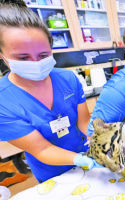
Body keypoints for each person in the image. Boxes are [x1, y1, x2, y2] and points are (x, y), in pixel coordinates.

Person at [0, 1, 102, 183]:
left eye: (43, 55)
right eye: (23, 57)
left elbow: (84, 121)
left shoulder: (68, 79)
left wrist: (98, 141)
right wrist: (79, 159)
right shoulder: (3, 101)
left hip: (87, 158)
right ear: (2, 55)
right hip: (53, 174)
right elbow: (42, 150)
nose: (35, 63)